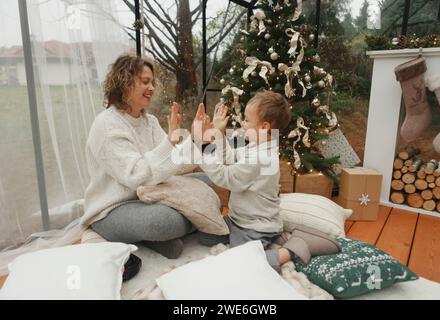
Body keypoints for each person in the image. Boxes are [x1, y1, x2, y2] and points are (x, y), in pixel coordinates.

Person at [80, 53, 209, 264]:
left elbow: (174, 166)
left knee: (206, 183)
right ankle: (157, 232)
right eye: (145, 82)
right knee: (165, 222)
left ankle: (151, 238)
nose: (151, 88)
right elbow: (137, 176)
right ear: (124, 81)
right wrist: (170, 143)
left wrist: (196, 140)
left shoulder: (149, 121)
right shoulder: (106, 125)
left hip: (149, 197)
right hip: (113, 210)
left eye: (152, 83)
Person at [192, 91, 306, 272]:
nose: (242, 124)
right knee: (205, 237)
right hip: (238, 219)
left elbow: (226, 177)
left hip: (255, 226)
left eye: (246, 120)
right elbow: (229, 158)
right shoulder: (256, 147)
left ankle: (290, 250)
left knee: (242, 263)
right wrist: (219, 133)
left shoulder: (261, 157)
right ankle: (275, 238)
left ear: (264, 127)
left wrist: (200, 150)